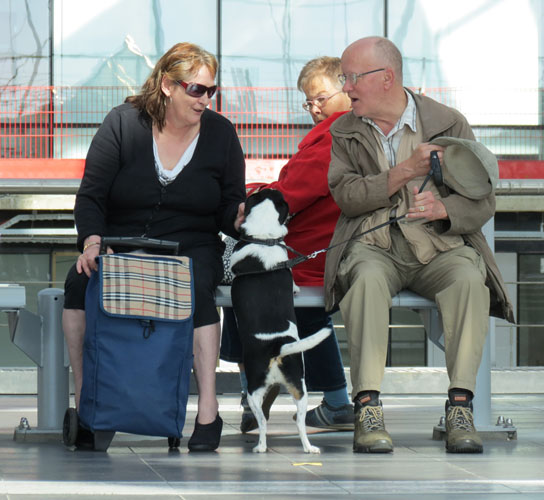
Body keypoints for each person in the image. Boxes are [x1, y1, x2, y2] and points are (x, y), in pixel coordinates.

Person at [324, 37, 515, 454]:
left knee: (469, 277)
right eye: (344, 78)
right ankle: (368, 407)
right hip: (373, 243)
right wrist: (404, 172)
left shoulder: (449, 122)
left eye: (352, 77)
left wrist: (444, 209)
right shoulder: (344, 130)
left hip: (439, 246)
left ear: (386, 78)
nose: (346, 87)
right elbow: (347, 196)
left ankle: (460, 408)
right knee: (367, 280)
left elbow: (482, 198)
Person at [62, 42, 246, 452]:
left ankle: (208, 413)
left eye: (210, 91)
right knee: (80, 281)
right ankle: (88, 406)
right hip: (121, 240)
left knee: (196, 285)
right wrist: (93, 242)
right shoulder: (124, 123)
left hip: (191, 244)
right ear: (166, 84)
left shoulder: (221, 134)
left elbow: (227, 206)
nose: (204, 99)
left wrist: (237, 217)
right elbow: (92, 195)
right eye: (195, 89)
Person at [220, 56, 355, 432]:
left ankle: (253, 394)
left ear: (347, 89)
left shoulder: (332, 141)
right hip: (325, 248)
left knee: (238, 281)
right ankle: (336, 401)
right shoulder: (348, 136)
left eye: (321, 98)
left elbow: (290, 196)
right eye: (308, 101)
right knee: (302, 309)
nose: (314, 108)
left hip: (305, 254)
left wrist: (247, 200)